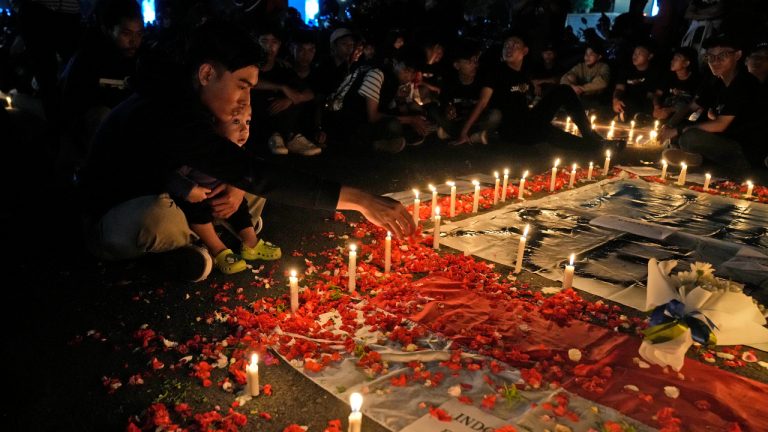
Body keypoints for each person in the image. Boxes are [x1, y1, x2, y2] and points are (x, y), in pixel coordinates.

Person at [79, 20, 416, 282]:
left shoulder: (194, 98)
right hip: (121, 216)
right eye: (242, 85)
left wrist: (237, 183)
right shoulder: (166, 110)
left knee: (247, 193)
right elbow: (254, 172)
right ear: (207, 73)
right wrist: (360, 200)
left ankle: (204, 245)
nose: (245, 100)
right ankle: (197, 245)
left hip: (186, 195)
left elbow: (242, 165)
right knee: (160, 217)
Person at [169, 105, 281, 275]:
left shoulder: (237, 150)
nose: (244, 129)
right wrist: (190, 189)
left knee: (240, 205)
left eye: (248, 122)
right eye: (236, 122)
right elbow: (172, 176)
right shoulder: (200, 151)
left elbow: (247, 169)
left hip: (220, 194)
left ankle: (251, 243)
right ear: (213, 125)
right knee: (197, 211)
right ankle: (218, 249)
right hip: (197, 197)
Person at [462, 33, 609, 149]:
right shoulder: (496, 72)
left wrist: (535, 88)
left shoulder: (524, 73)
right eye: (506, 45)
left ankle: (589, 136)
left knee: (564, 90)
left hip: (529, 119)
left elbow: (527, 92)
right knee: (547, 132)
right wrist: (464, 133)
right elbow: (483, 101)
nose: (509, 48)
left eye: (514, 45)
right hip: (512, 128)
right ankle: (594, 146)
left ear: (525, 51)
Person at [659, 35, 768, 174]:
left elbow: (720, 124)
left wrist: (679, 130)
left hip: (744, 150)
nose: (715, 61)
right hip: (721, 141)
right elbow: (692, 106)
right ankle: (695, 157)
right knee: (683, 131)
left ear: (738, 55)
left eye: (723, 55)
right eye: (710, 57)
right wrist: (670, 125)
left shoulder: (744, 83)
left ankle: (701, 160)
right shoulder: (716, 81)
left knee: (690, 136)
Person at [58, 0, 144, 172]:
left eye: (139, 34)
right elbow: (72, 103)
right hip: (89, 129)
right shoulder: (88, 59)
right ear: (108, 30)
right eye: (126, 33)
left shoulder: (140, 60)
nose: (134, 41)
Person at [324, 45, 434, 153]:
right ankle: (368, 145)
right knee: (394, 126)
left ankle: (387, 142)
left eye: (413, 73)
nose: (409, 76)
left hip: (369, 124)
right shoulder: (377, 75)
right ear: (395, 62)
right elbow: (373, 116)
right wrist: (411, 120)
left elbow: (395, 111)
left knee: (409, 122)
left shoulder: (394, 82)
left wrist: (402, 102)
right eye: (406, 70)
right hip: (352, 125)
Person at [250, 24, 321, 156]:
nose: (269, 47)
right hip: (257, 116)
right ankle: (275, 135)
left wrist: (291, 99)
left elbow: (308, 92)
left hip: (280, 114)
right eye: (264, 41)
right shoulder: (248, 64)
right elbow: (248, 81)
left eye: (274, 42)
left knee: (293, 100)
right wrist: (281, 87)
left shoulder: (283, 68)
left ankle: (289, 137)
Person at [432, 40, 501, 145]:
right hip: (459, 120)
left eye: (475, 61)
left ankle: (455, 135)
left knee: (495, 115)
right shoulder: (450, 80)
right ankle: (473, 137)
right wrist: (448, 109)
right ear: (457, 65)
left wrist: (464, 131)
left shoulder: (484, 76)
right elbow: (445, 101)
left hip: (476, 120)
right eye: (469, 62)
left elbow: (482, 103)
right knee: (434, 110)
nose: (474, 65)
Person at [612, 41, 661, 124]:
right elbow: (620, 88)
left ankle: (639, 117)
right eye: (634, 53)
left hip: (644, 102)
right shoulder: (626, 68)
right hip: (627, 101)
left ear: (650, 56)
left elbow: (651, 95)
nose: (635, 56)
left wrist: (656, 107)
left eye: (640, 53)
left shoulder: (654, 72)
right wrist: (615, 100)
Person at [652, 47, 699, 122]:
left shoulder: (696, 80)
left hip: (683, 116)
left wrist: (671, 110)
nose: (672, 61)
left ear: (686, 63)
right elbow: (657, 94)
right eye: (673, 58)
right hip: (663, 112)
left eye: (676, 59)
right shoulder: (668, 76)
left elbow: (695, 105)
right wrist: (656, 107)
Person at [560, 41, 611, 109]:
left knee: (598, 81)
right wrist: (572, 87)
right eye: (586, 54)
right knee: (570, 77)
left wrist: (581, 88)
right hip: (580, 96)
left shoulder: (603, 66)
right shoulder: (580, 66)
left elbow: (603, 82)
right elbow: (564, 78)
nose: (587, 57)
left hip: (596, 97)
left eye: (591, 54)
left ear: (599, 57)